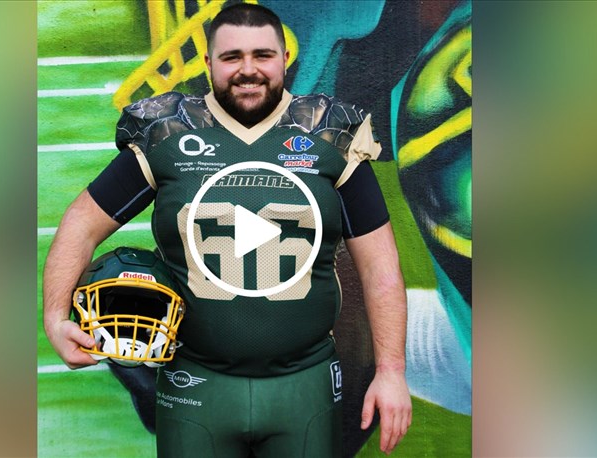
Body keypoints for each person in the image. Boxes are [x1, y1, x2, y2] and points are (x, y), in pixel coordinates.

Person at [43, 3, 411, 456]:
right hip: (196, 382)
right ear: (209, 62)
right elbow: (81, 223)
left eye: (262, 55)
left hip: (305, 382)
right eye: (232, 56)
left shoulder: (329, 134)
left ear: (284, 58)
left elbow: (380, 268)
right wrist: (55, 318)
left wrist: (391, 370)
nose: (248, 70)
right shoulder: (169, 134)